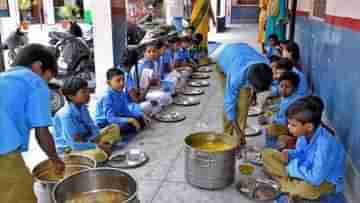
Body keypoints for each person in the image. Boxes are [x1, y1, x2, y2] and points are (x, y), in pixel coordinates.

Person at [0, 43, 65, 202]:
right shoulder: (34, 81)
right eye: (48, 78)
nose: (46, 83)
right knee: (21, 194)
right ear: (37, 67)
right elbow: (41, 133)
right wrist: (55, 159)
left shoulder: (4, 78)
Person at [262, 96, 346, 200]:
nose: (288, 127)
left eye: (293, 125)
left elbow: (316, 178)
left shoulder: (325, 144)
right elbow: (301, 153)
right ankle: (287, 183)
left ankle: (282, 182)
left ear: (309, 127)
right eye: (289, 123)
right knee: (267, 154)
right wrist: (289, 153)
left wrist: (290, 169)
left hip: (326, 181)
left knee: (306, 189)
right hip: (304, 168)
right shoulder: (303, 134)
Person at [216, 43, 273, 145]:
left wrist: (254, 95)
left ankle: (239, 140)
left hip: (243, 53)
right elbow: (230, 105)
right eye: (254, 89)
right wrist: (238, 131)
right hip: (224, 59)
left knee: (244, 104)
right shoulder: (236, 77)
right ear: (249, 82)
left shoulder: (266, 67)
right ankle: (227, 139)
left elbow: (262, 83)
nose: (254, 92)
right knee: (230, 105)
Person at [52, 77, 120, 155]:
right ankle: (102, 149)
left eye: (88, 90)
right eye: (83, 92)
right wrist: (96, 145)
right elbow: (74, 145)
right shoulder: (66, 115)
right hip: (69, 149)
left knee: (114, 128)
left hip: (86, 139)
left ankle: (102, 148)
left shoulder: (82, 107)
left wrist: (95, 138)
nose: (88, 94)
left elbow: (93, 127)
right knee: (98, 154)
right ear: (71, 96)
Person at [95, 68, 146, 135]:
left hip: (116, 118)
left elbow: (126, 111)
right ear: (108, 83)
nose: (122, 83)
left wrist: (140, 115)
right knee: (126, 125)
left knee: (140, 119)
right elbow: (110, 118)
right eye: (118, 80)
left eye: (123, 80)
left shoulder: (121, 92)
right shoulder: (106, 96)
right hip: (104, 123)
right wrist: (130, 120)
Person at [259, 71, 300, 149]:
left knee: (270, 129)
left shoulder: (294, 102)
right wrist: (269, 111)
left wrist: (270, 119)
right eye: (281, 86)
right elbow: (280, 108)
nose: (283, 89)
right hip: (283, 123)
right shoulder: (285, 97)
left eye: (287, 87)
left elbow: (286, 121)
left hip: (289, 128)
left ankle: (274, 149)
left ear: (295, 88)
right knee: (267, 117)